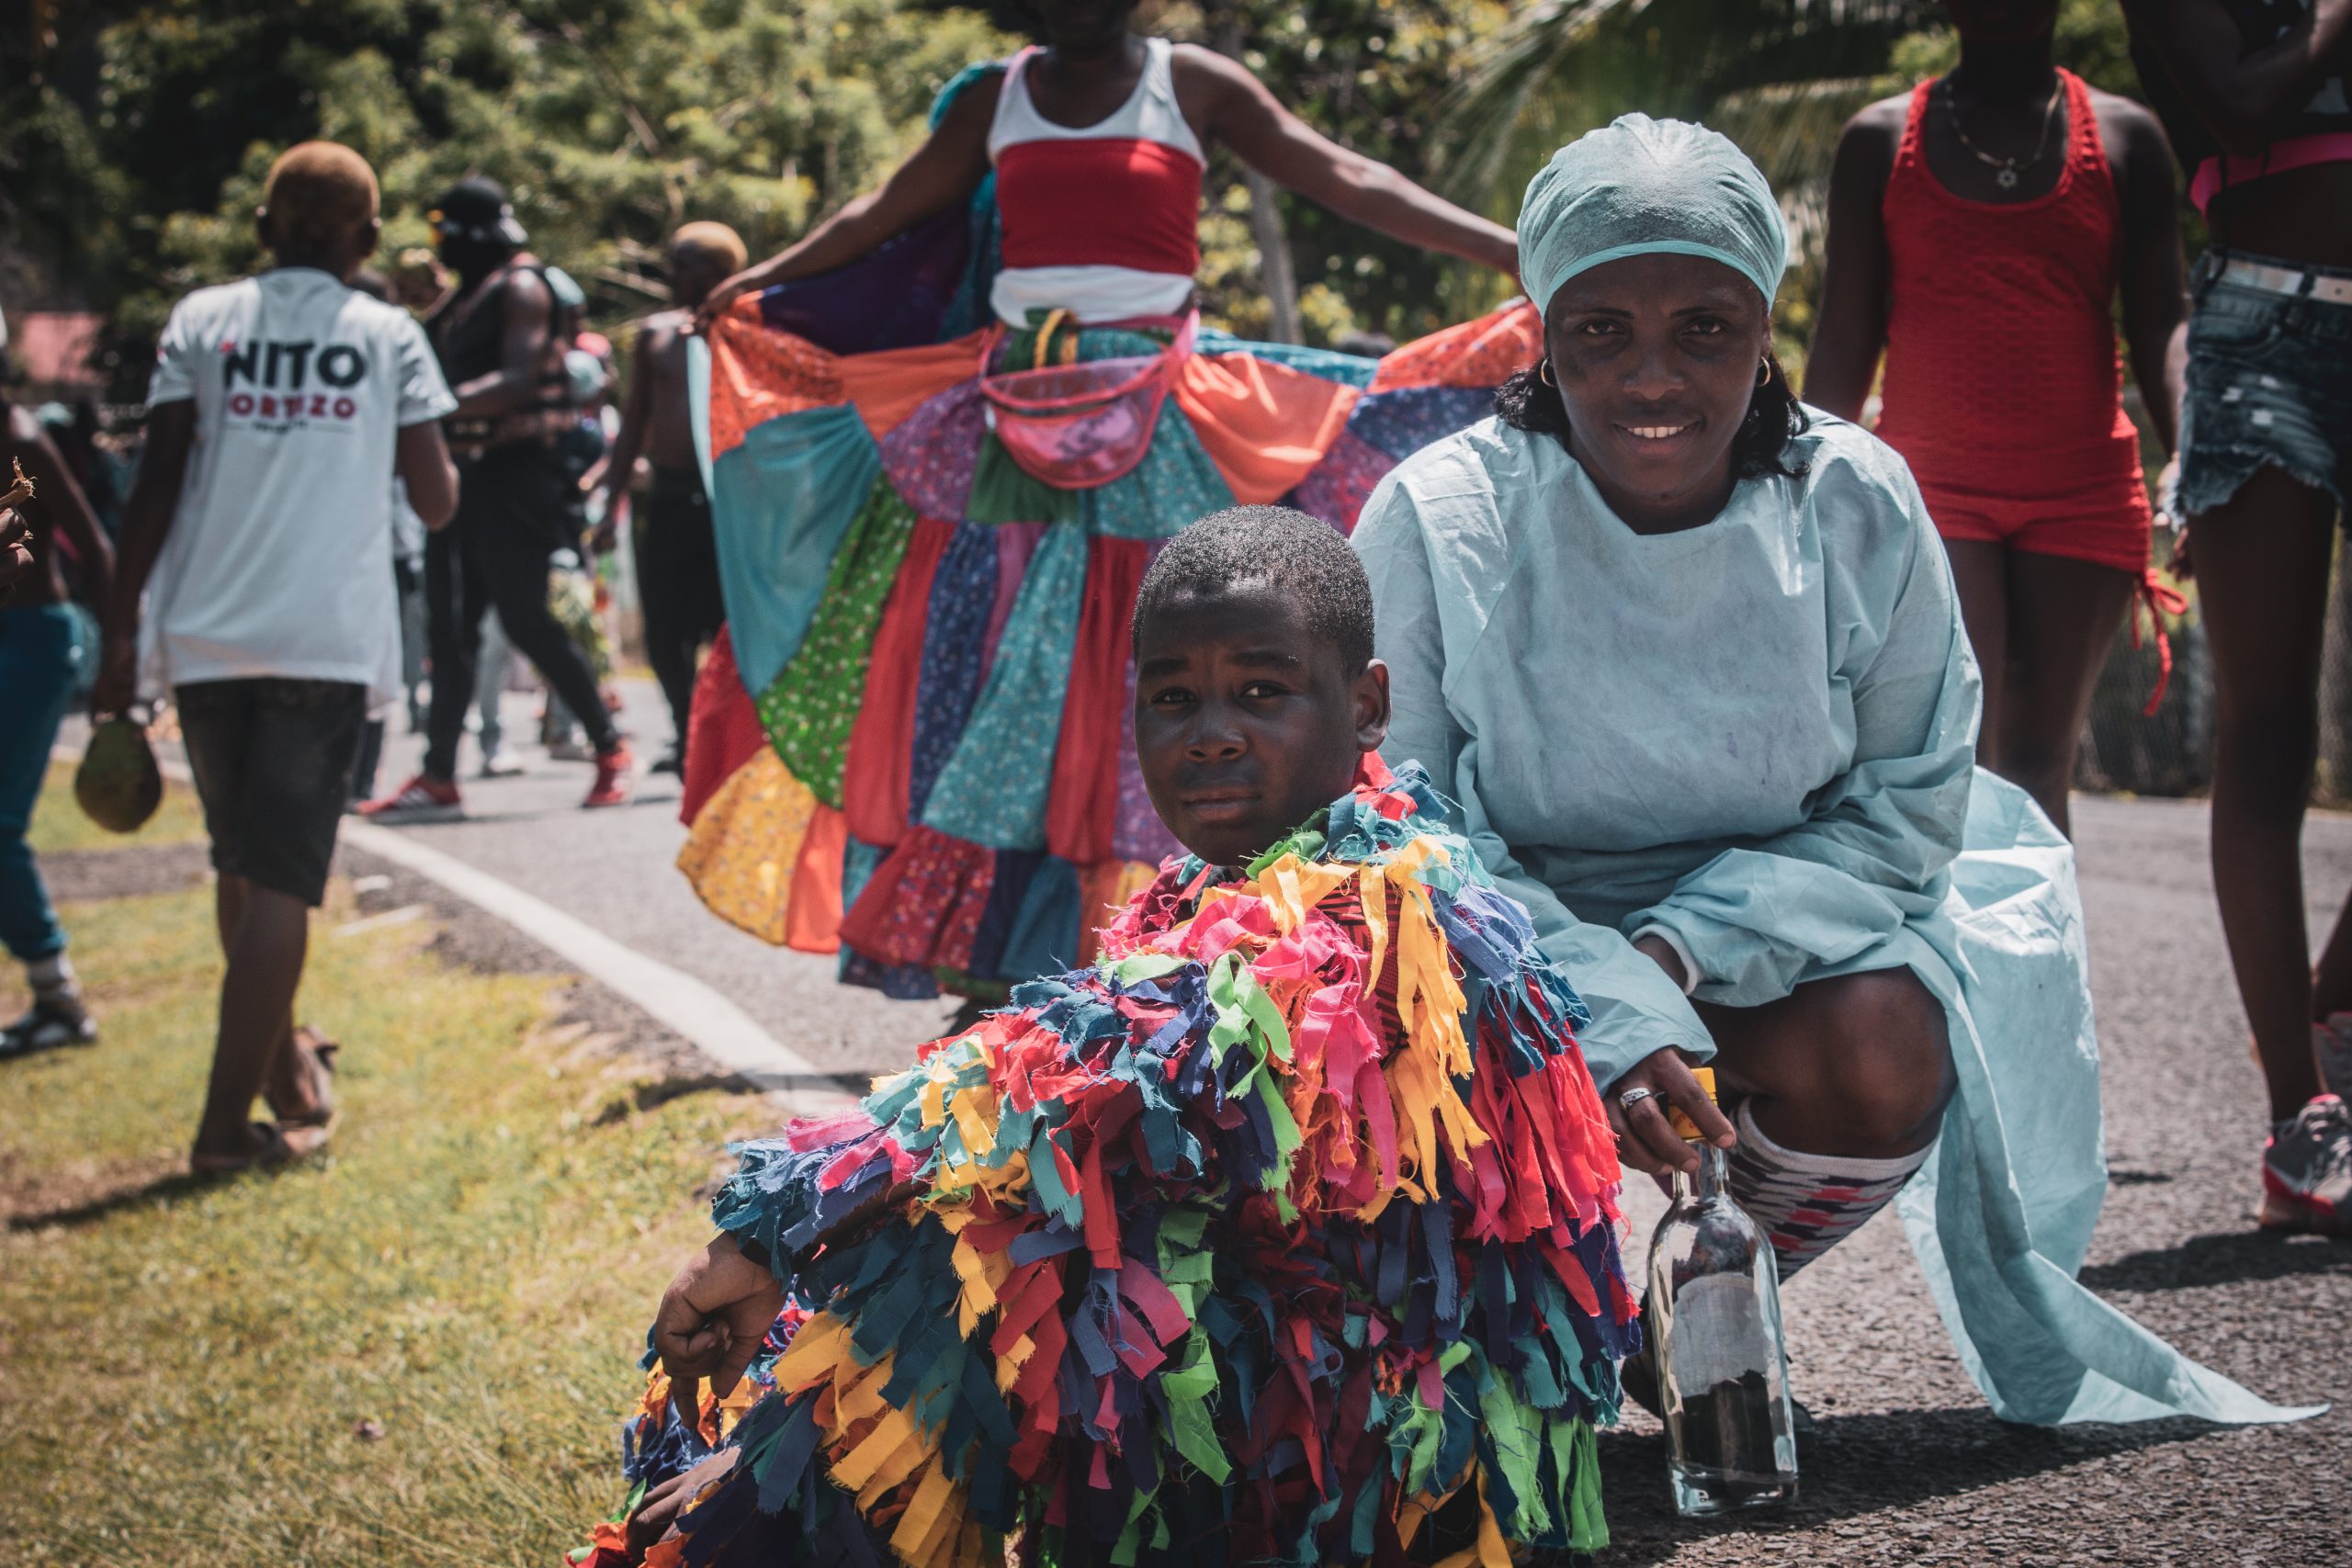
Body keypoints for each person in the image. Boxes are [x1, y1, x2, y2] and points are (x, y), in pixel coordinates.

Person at [1351, 115, 2310, 1428]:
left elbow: (1903, 815)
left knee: (1885, 1046)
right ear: (1542, 331)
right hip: (1500, 957)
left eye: (1705, 328)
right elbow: (1411, 830)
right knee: (1353, 1049)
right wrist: (1605, 1001)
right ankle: (1494, 1326)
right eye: (1600, 331)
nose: (1651, 377)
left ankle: (1699, 1304)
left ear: (1766, 328)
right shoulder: (1437, 517)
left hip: (1767, 947)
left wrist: (1674, 955)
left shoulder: (1855, 502)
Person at [583, 508, 1634, 1568]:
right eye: (1173, 698)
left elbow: (1078, 1075)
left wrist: (774, 1227)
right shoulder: (1212, 883)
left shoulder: (1387, 901)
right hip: (1277, 1393)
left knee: (966, 1254)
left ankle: (777, 1504)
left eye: (1261, 692)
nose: (1211, 733)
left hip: (1389, 1474)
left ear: (1365, 704)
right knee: (928, 1260)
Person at [673, 0, 1544, 1003]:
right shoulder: (996, 98)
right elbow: (880, 213)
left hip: (1160, 417)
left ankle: (1170, 953)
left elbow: (1350, 177)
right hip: (1006, 424)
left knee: (1164, 653)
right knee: (1014, 679)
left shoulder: (1191, 84)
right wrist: (760, 283)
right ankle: (1009, 971)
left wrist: (1515, 253)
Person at [94, 141, 460, 1173]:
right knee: (283, 886)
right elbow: (436, 501)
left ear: (263, 229)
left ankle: (290, 1076)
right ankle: (222, 1133)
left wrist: (120, 632)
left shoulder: (203, 320)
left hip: (204, 636)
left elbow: (156, 479)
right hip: (321, 640)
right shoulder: (387, 334)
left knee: (242, 867)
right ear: (369, 239)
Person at [1806, 0, 2188, 835]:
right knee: (1961, 752)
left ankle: (2042, 925)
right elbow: (1845, 334)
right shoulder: (1881, 140)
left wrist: (2192, 461)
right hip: (1934, 490)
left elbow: (2162, 318)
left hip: (2084, 487)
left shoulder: (2126, 138)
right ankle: (1957, 925)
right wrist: (1795, 487)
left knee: (2041, 760)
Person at [2123, 0, 2352, 1234]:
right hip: (2268, 331)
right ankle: (2300, 1117)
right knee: (2269, 733)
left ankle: (2329, 1002)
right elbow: (2239, 101)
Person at [362, 175, 633, 818]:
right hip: (462, 475)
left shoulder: (521, 288)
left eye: (445, 233)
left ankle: (609, 747)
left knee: (525, 618)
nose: (441, 247)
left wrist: (425, 407)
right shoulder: (467, 297)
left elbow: (515, 380)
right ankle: (438, 773)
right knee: (450, 627)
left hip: (515, 477)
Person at [592, 222, 744, 773]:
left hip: (730, 501)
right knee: (663, 630)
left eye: (684, 263)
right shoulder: (656, 335)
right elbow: (633, 426)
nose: (672, 274)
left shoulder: (747, 330)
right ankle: (686, 733)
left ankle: (726, 735)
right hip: (671, 496)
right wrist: (609, 506)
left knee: (725, 626)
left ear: (718, 272)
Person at [1, 393, 114, 1055]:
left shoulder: (22, 440)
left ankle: (58, 998)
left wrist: (120, 660)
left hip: (31, 639)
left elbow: (94, 548)